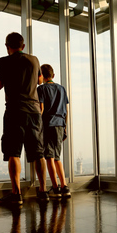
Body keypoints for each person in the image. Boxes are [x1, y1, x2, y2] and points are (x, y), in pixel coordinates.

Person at [0, 32, 48, 204]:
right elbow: (40, 80)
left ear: (7, 46)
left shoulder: (3, 61)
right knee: (38, 153)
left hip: (14, 110)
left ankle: (16, 194)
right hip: (33, 111)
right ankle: (43, 191)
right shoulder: (34, 60)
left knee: (13, 152)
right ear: (23, 46)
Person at [37, 64, 71, 198]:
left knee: (49, 157)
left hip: (48, 125)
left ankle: (55, 188)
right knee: (57, 157)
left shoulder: (41, 89)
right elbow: (66, 110)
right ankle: (64, 186)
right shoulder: (62, 89)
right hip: (60, 125)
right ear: (53, 75)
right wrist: (65, 128)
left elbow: (41, 109)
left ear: (41, 76)